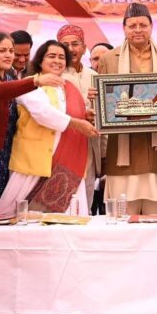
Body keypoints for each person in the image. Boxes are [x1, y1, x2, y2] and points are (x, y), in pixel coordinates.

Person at [0, 32, 63, 220]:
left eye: (10, 51)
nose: (8, 55)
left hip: (6, 152)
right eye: (2, 51)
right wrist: (35, 80)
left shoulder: (9, 77)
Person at [0, 41, 98, 214]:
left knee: (68, 217)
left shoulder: (69, 88)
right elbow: (43, 113)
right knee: (20, 215)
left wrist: (85, 115)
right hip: (34, 161)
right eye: (51, 56)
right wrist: (78, 123)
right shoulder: (29, 84)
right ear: (40, 60)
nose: (57, 60)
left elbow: (66, 112)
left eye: (61, 57)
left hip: (68, 162)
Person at [97, 3, 157, 215]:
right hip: (123, 148)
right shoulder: (109, 59)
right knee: (122, 215)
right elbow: (105, 101)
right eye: (132, 26)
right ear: (124, 29)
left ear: (151, 27)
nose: (138, 30)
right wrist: (96, 98)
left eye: (143, 25)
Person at [57, 24, 101, 210]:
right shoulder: (55, 76)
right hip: (63, 147)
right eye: (65, 45)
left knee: (86, 202)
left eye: (75, 44)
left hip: (89, 146)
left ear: (84, 47)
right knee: (62, 202)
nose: (70, 49)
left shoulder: (94, 76)